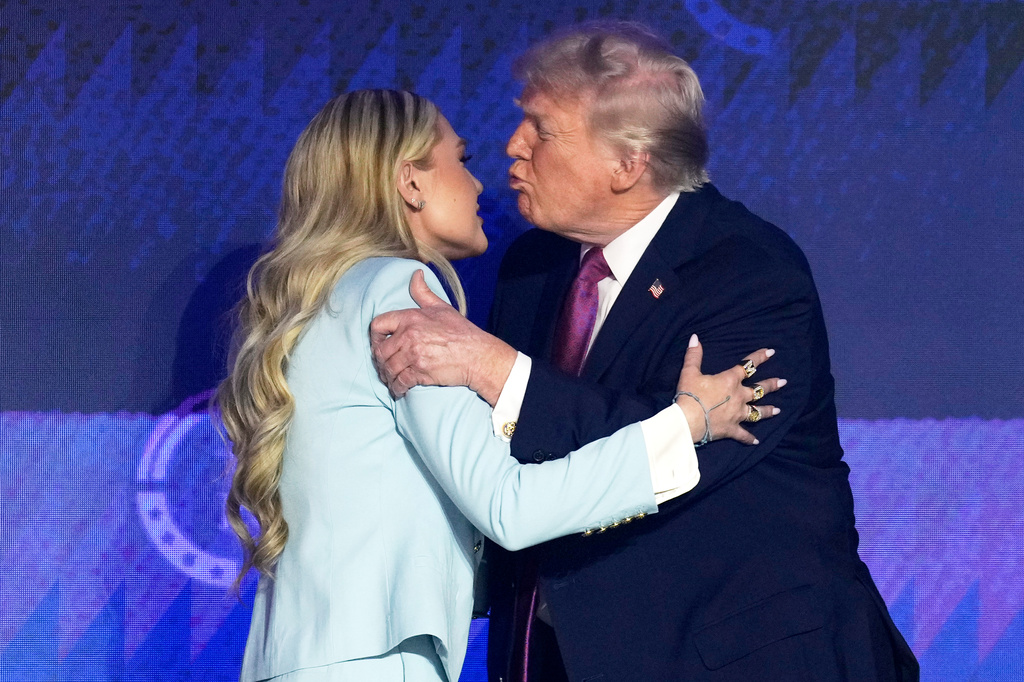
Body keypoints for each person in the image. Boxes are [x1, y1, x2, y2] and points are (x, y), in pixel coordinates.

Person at [370, 24, 920, 682]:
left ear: (627, 163)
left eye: (541, 130)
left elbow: (676, 452)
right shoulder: (530, 269)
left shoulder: (750, 272)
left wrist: (494, 369)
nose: (513, 147)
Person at [215, 88, 783, 682]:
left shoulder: (323, 301)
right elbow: (509, 507)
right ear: (411, 182)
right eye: (460, 160)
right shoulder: (398, 291)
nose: (480, 183)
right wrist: (684, 425)